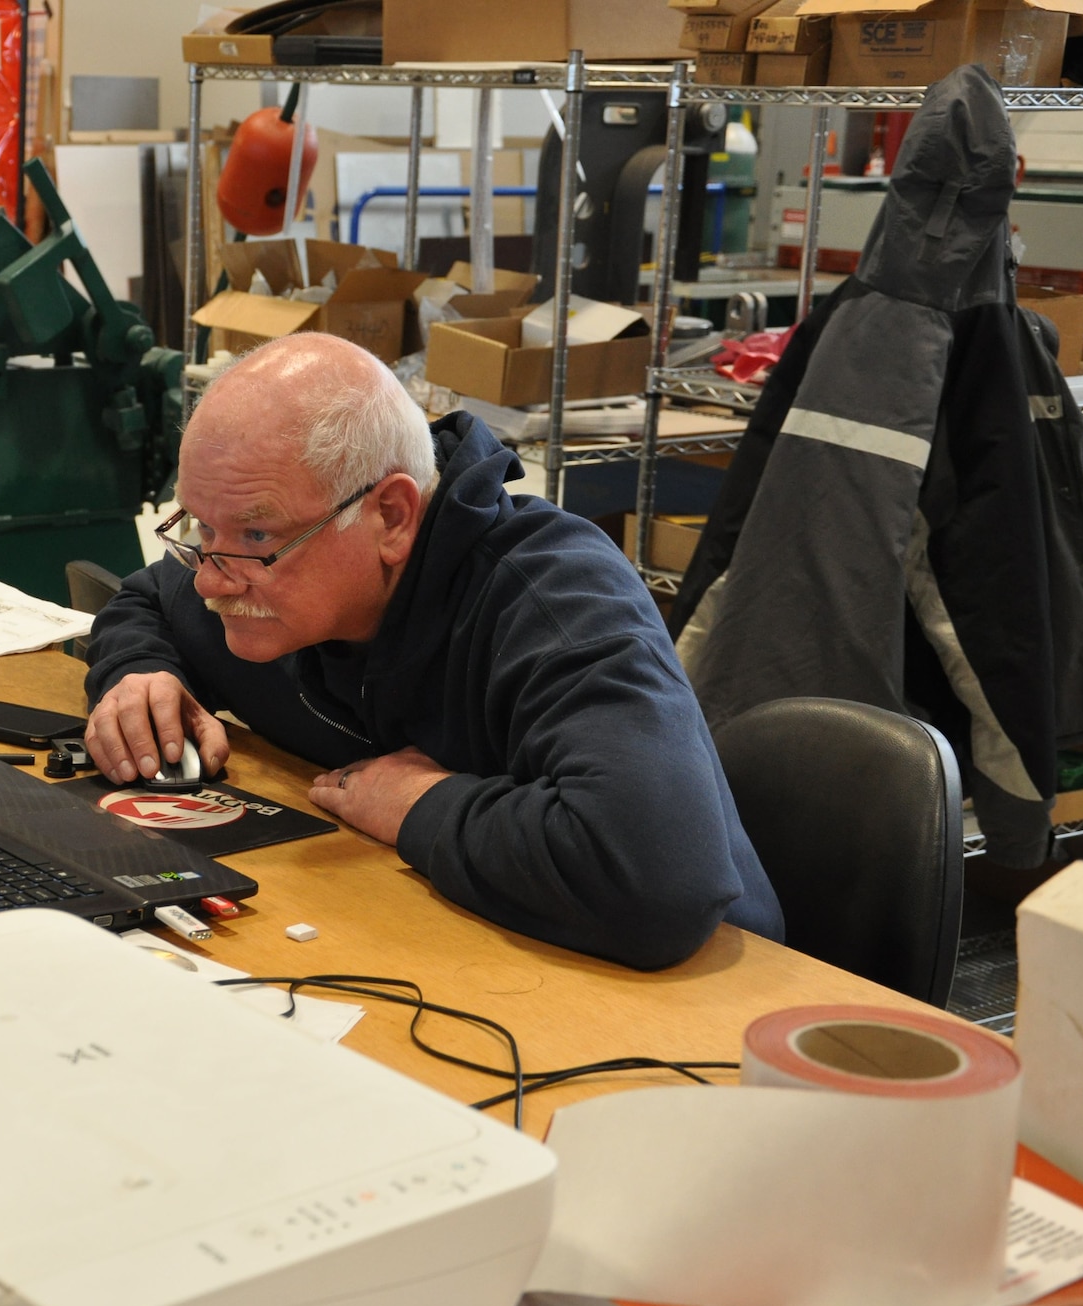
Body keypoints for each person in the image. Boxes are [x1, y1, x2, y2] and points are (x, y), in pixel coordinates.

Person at [82, 333, 782, 971]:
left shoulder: (553, 600)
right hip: (449, 949)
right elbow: (146, 599)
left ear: (390, 515)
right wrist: (139, 672)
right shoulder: (252, 580)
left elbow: (660, 880)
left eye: (257, 538)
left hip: (692, 1005)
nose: (208, 574)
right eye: (201, 526)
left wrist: (423, 804)